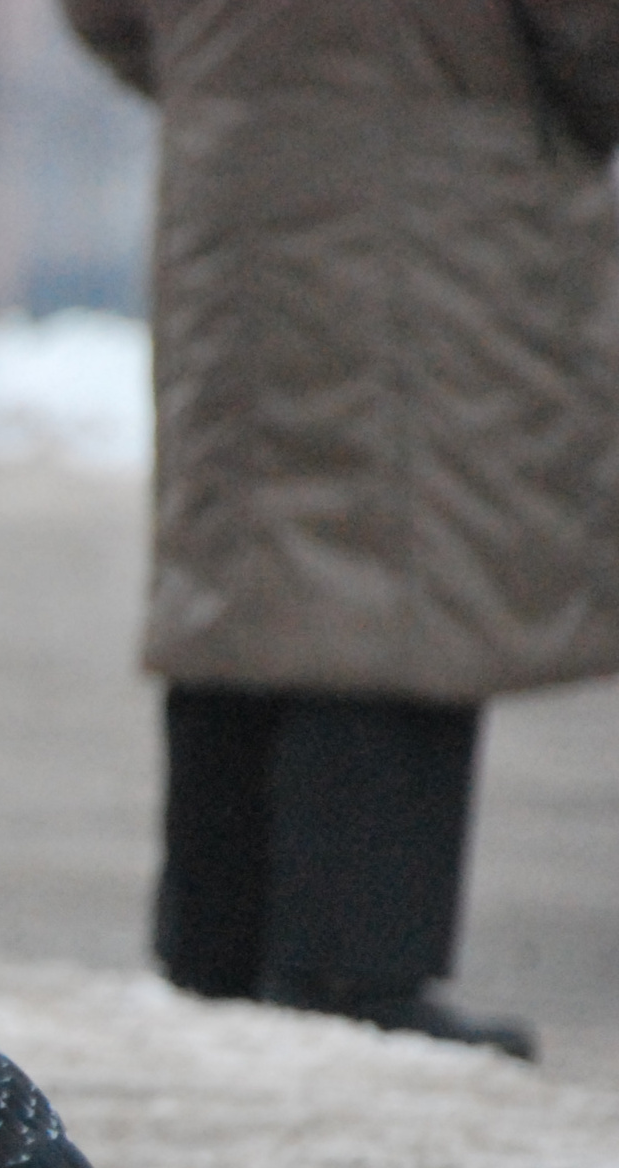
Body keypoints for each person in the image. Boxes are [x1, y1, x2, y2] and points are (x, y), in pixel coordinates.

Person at [66, 0, 619, 1060]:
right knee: (409, 553)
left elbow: (103, 14)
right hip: (445, 184)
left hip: (232, 176)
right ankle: (354, 968)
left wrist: (234, 88)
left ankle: (215, 944)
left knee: (239, 551)